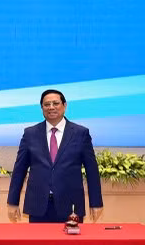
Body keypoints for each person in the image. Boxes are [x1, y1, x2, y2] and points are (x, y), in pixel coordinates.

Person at [7, 89, 103, 223]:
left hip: (71, 205)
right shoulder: (30, 134)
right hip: (38, 206)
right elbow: (19, 170)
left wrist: (96, 203)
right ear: (42, 108)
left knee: (71, 244)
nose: (51, 107)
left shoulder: (81, 133)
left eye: (55, 103)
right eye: (46, 104)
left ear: (65, 105)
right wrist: (12, 202)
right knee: (38, 244)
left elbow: (92, 171)